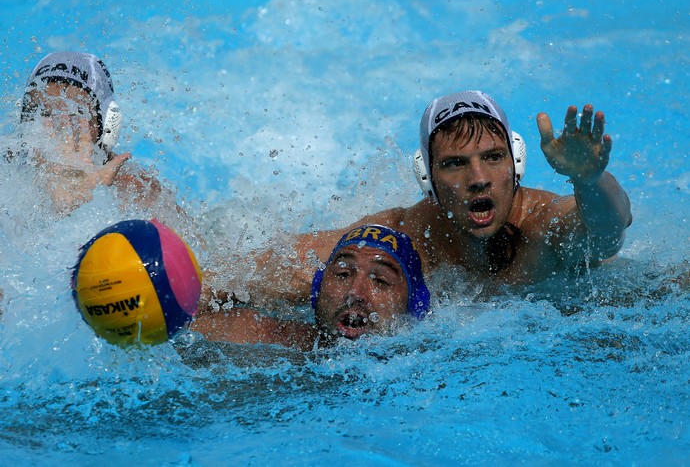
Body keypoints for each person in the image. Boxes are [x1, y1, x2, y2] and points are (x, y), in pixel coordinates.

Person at [222, 90, 632, 306]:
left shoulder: (539, 224)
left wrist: (588, 179)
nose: (479, 179)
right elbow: (266, 272)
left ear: (516, 163)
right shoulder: (402, 238)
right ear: (428, 179)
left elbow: (608, 230)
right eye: (455, 164)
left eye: (492, 158)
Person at [192, 224, 430, 350]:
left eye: (380, 281)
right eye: (343, 273)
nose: (354, 293)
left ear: (415, 306)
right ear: (317, 289)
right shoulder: (260, 338)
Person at [15, 51, 172, 215]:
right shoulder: (8, 167)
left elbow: (186, 240)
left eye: (74, 115)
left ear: (107, 125)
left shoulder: (135, 191)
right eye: (43, 113)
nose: (58, 127)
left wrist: (80, 205)